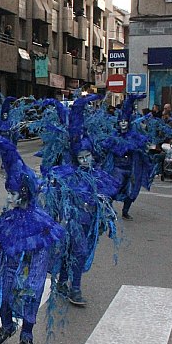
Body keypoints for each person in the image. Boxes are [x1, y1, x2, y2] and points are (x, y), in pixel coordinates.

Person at [0, 137, 65, 344]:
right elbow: (3, 245)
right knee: (2, 297)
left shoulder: (40, 222)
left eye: (12, 194)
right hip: (9, 264)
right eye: (8, 193)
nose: (8, 198)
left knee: (30, 296)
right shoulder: (8, 217)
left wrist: (35, 279)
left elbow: (43, 254)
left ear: (24, 194)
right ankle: (7, 326)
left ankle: (27, 333)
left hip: (31, 266)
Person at [44, 95, 119, 307]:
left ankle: (63, 282)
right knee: (78, 251)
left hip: (89, 222)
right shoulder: (67, 175)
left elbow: (105, 198)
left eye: (88, 156)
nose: (86, 160)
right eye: (81, 157)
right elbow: (54, 198)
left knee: (74, 253)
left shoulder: (98, 175)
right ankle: (75, 288)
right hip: (72, 222)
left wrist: (105, 215)